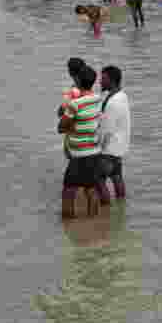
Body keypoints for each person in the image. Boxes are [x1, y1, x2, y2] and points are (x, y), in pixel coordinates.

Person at [57, 64, 103, 219]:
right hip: (95, 152)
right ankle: (93, 221)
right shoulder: (98, 99)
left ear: (76, 79)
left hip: (78, 154)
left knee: (68, 190)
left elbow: (61, 127)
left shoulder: (74, 104)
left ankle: (68, 225)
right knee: (90, 188)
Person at [95, 65, 130, 204]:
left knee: (98, 180)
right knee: (117, 177)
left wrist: (98, 149)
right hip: (119, 149)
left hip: (108, 150)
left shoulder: (112, 102)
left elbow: (106, 130)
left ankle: (106, 211)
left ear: (112, 80)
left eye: (103, 79)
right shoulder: (122, 96)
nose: (100, 82)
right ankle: (121, 208)